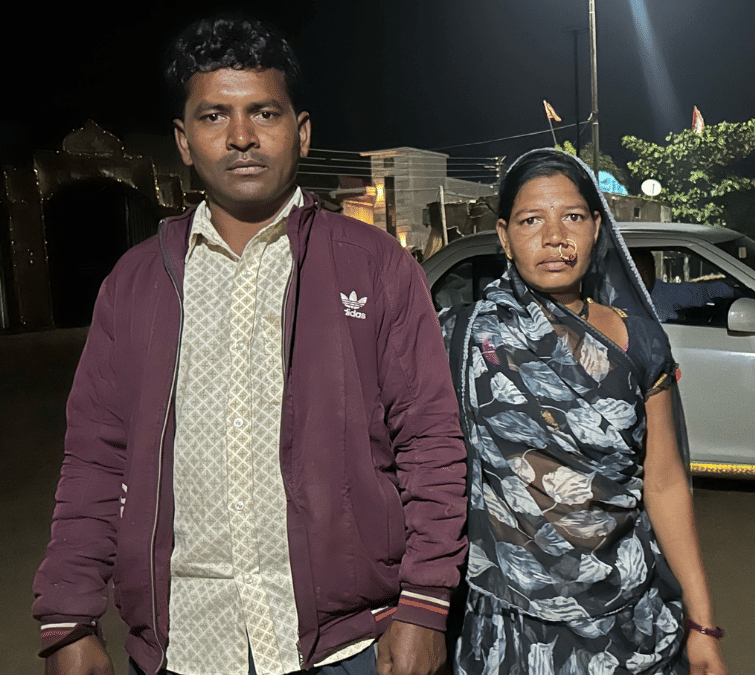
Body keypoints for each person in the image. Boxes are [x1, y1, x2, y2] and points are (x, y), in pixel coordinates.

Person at [31, 16, 467, 675]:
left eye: (263, 111)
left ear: (302, 130)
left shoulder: (375, 267)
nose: (240, 136)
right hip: (183, 649)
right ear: (183, 139)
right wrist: (68, 615)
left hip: (346, 647)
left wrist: (425, 601)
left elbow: (430, 443)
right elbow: (95, 459)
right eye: (214, 116)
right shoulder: (137, 284)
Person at [440, 149, 728, 675]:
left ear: (597, 228)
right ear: (504, 237)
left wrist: (702, 623)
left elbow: (663, 483)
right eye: (532, 220)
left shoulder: (638, 340)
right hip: (511, 626)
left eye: (572, 216)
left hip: (629, 615)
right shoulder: (462, 337)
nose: (554, 237)